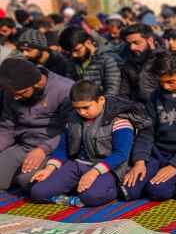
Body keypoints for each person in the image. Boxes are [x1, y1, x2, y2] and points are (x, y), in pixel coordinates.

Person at [30, 80, 148, 207]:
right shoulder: (72, 119)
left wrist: (94, 172)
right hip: (78, 164)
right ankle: (74, 198)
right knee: (38, 192)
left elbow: (121, 154)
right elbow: (63, 148)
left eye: (86, 107)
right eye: (77, 108)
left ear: (101, 100)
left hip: (108, 168)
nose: (81, 112)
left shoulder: (119, 121)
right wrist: (49, 169)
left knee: (91, 196)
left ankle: (111, 190)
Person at [122, 52, 176, 200]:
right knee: (129, 189)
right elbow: (147, 130)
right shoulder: (155, 96)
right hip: (157, 153)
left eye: (171, 82)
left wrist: (175, 165)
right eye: (161, 82)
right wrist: (140, 160)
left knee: (158, 191)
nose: (165, 87)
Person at [0, 58, 73, 191]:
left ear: (38, 83)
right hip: (24, 145)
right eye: (13, 94)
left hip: (55, 148)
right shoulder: (11, 92)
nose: (16, 98)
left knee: (28, 181)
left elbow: (72, 131)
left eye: (21, 94)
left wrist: (43, 149)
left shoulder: (65, 90)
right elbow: (6, 128)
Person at [59, 26, 121, 96]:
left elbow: (112, 91)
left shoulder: (107, 59)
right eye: (69, 52)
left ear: (88, 43)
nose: (74, 55)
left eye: (77, 50)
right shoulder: (70, 63)